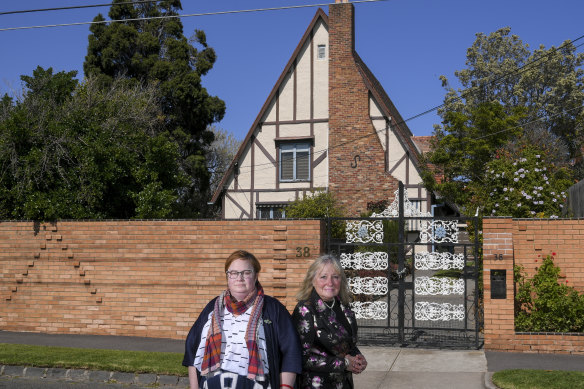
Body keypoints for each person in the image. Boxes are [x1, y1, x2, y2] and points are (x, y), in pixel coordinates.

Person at [183, 250, 302, 389]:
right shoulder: (213, 307)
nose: (239, 278)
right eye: (233, 273)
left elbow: (291, 352)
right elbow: (193, 349)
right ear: (227, 276)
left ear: (256, 275)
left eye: (246, 272)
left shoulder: (273, 309)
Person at [292, 255, 367, 389]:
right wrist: (344, 363)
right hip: (317, 384)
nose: (330, 282)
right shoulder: (305, 309)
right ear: (312, 280)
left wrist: (357, 357)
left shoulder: (343, 306)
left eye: (335, 277)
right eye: (323, 277)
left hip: (344, 383)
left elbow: (347, 343)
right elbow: (301, 357)